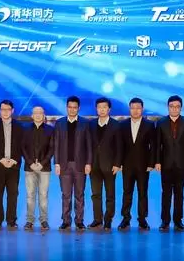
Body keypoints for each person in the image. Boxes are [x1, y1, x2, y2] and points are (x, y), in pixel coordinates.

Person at [155, 95, 184, 232]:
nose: (174, 109)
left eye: (177, 106)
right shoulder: (161, 122)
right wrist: (157, 161)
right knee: (166, 193)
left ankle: (178, 221)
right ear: (168, 107)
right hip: (165, 163)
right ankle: (165, 221)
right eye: (172, 106)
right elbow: (157, 144)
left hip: (181, 164)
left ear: (181, 108)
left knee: (179, 193)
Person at [53, 95, 92, 230]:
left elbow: (89, 145)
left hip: (80, 165)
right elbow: (56, 144)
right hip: (64, 165)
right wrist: (56, 163)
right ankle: (66, 221)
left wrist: (88, 163)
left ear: (78, 108)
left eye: (75, 107)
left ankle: (79, 221)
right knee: (66, 195)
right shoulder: (59, 123)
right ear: (66, 107)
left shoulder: (85, 123)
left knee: (80, 195)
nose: (72, 109)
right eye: (70, 107)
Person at [118, 97, 155, 231]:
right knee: (127, 192)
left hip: (143, 165)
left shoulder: (149, 125)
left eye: (138, 108)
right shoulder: (122, 125)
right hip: (127, 164)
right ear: (129, 109)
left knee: (142, 192)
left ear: (142, 109)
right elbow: (120, 146)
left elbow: (153, 146)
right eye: (133, 108)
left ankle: (142, 219)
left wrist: (151, 163)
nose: (135, 110)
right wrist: (119, 163)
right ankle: (125, 218)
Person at [0, 100, 24, 229]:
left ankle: (11, 220)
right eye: (3, 109)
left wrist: (14, 160)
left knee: (13, 194)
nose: (5, 112)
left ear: (12, 110)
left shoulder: (19, 126)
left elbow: (22, 145)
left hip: (14, 166)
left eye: (8, 109)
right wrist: (1, 159)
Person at [89, 97, 122, 231]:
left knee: (110, 194)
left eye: (104, 107)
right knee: (95, 194)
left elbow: (119, 147)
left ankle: (108, 219)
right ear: (96, 109)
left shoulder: (116, 125)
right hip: (94, 165)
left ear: (109, 109)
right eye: (99, 107)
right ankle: (97, 219)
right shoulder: (91, 124)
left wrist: (117, 164)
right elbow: (88, 145)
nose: (102, 110)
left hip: (110, 165)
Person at [21, 106, 54, 231]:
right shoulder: (25, 129)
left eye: (40, 112)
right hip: (29, 168)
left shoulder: (50, 130)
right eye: (36, 113)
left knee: (43, 195)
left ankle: (44, 220)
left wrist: (42, 163)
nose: (38, 115)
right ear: (32, 115)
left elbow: (52, 148)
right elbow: (22, 148)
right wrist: (30, 163)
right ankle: (29, 220)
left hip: (44, 168)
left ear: (44, 115)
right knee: (30, 195)